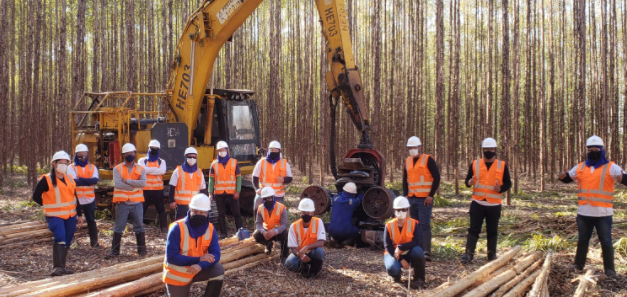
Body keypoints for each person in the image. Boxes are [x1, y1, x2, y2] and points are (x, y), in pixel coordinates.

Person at [558, 135, 627, 278]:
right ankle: (578, 265)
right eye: (591, 149)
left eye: (596, 149)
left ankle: (610, 270)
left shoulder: (611, 167)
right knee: (583, 240)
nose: (593, 151)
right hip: (584, 213)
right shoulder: (581, 167)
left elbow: (625, 179)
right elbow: (567, 179)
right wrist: (562, 177)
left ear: (602, 150)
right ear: (587, 151)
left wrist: (623, 178)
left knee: (606, 241)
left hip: (603, 213)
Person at [460, 137, 512, 264]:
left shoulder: (502, 165)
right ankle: (469, 254)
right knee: (473, 229)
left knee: (492, 231)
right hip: (477, 203)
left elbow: (508, 183)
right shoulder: (475, 164)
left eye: (491, 149)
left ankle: (491, 255)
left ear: (495, 150)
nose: (489, 151)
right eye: (486, 149)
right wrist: (469, 182)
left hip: (494, 204)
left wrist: (500, 188)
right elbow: (467, 181)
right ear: (482, 150)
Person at [32, 151, 83, 276]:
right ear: (54, 164)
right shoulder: (46, 179)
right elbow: (35, 196)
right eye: (61, 163)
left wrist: (79, 214)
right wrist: (48, 205)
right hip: (54, 216)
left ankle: (62, 267)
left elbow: (75, 197)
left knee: (67, 239)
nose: (64, 165)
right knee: (60, 236)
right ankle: (57, 268)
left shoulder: (70, 178)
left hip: (71, 215)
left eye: (66, 163)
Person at [163, 194, 223, 297]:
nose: (198, 214)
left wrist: (201, 265)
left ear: (207, 213)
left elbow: (216, 254)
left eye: (202, 212)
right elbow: (171, 257)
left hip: (197, 269)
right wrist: (198, 260)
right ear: (190, 210)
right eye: (195, 211)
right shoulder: (177, 228)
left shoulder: (210, 228)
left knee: (218, 269)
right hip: (178, 275)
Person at [403, 136, 440, 261]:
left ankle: (426, 251)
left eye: (414, 147)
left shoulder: (428, 159)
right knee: (415, 225)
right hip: (412, 198)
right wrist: (405, 195)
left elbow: (437, 177)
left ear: (420, 147)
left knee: (424, 224)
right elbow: (405, 179)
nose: (412, 150)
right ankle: (417, 249)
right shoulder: (407, 160)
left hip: (424, 199)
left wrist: (431, 195)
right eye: (410, 148)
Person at [107, 143, 147, 258]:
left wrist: (127, 181)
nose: (130, 155)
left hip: (137, 203)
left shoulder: (141, 168)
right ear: (123, 155)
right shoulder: (117, 168)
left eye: (132, 153)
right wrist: (134, 186)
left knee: (139, 226)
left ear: (135, 153)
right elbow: (118, 184)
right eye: (128, 153)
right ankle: (114, 252)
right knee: (119, 227)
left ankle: (142, 251)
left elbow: (143, 183)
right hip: (122, 203)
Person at [383, 196, 425, 288]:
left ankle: (419, 278)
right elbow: (387, 246)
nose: (401, 212)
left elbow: (417, 242)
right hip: (394, 254)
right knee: (392, 267)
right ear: (394, 211)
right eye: (398, 210)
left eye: (403, 210)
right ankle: (395, 276)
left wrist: (400, 247)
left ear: (408, 210)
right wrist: (401, 259)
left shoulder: (414, 223)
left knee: (418, 251)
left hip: (410, 253)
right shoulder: (389, 225)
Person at [208, 141, 243, 239]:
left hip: (232, 193)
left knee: (236, 213)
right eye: (220, 150)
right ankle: (223, 233)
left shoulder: (233, 162)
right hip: (219, 193)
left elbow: (238, 177)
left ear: (227, 150)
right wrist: (210, 193)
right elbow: (211, 180)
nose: (222, 152)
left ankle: (240, 231)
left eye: (223, 150)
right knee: (221, 214)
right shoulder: (214, 164)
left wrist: (238, 191)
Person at [67, 144, 100, 248]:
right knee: (72, 221)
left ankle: (94, 242)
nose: (82, 156)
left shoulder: (92, 167)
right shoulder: (71, 167)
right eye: (80, 154)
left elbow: (94, 180)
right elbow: (73, 182)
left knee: (91, 220)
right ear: (76, 155)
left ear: (87, 154)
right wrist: (88, 181)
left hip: (89, 199)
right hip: (75, 198)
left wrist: (80, 179)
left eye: (84, 154)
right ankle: (69, 242)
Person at [285, 198, 326, 278]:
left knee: (320, 252)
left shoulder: (318, 222)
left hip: (314, 252)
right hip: (300, 254)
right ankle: (303, 268)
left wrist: (306, 247)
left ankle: (314, 271)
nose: (306, 215)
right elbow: (293, 247)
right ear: (300, 213)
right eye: (304, 212)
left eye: (309, 212)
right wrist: (299, 255)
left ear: (313, 213)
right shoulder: (294, 226)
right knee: (289, 263)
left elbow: (321, 242)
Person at [252, 141, 293, 213]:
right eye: (272, 150)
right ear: (268, 150)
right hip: (263, 192)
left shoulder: (284, 163)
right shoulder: (261, 162)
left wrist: (283, 179)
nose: (273, 151)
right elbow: (255, 176)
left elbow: (290, 178)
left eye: (275, 150)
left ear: (279, 151)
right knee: (257, 208)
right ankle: (257, 223)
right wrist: (257, 189)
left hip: (278, 194)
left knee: (278, 212)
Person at [169, 147, 208, 220]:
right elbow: (172, 187)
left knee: (193, 225)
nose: (192, 159)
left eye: (194, 157)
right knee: (180, 226)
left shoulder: (199, 172)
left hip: (195, 205)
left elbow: (203, 189)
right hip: (181, 205)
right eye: (190, 157)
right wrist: (172, 201)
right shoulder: (178, 171)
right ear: (185, 157)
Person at [138, 140, 168, 234]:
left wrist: (148, 170)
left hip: (157, 190)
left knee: (161, 209)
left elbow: (162, 171)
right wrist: (155, 169)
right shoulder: (142, 160)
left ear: (158, 149)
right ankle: (138, 226)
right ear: (149, 148)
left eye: (155, 149)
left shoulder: (161, 161)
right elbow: (142, 171)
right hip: (145, 189)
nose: (153, 150)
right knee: (141, 208)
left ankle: (163, 227)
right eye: (152, 148)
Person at [253, 187, 289, 262]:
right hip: (266, 232)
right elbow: (258, 223)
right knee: (256, 235)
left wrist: (275, 231)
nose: (267, 201)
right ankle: (268, 244)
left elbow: (284, 224)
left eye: (269, 198)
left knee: (286, 234)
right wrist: (263, 232)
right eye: (265, 199)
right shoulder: (261, 208)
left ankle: (284, 256)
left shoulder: (281, 208)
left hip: (277, 232)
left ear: (273, 197)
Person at [328, 182, 363, 247]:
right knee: (358, 232)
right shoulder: (352, 202)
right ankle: (347, 242)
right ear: (353, 193)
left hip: (331, 230)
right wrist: (361, 192)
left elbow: (339, 194)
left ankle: (333, 239)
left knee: (334, 228)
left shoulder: (335, 198)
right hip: (345, 231)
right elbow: (359, 199)